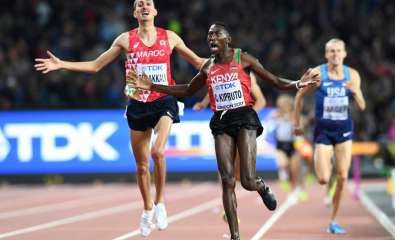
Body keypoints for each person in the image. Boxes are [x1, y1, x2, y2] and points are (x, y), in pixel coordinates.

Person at [127, 22, 319, 240]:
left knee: (246, 181)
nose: (211, 38)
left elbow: (274, 81)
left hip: (245, 117)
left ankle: (261, 187)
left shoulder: (243, 59)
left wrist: (297, 84)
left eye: (216, 34)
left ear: (227, 39)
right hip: (221, 121)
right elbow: (187, 90)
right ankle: (235, 236)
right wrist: (152, 86)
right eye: (208, 35)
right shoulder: (208, 67)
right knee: (227, 180)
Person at [34, 0, 205, 237]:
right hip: (137, 104)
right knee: (142, 166)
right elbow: (96, 66)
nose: (144, 6)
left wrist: (230, 64)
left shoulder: (170, 37)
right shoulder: (125, 40)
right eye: (139, 4)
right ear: (135, 12)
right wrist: (61, 64)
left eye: (148, 4)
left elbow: (198, 62)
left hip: (165, 99)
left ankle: (160, 203)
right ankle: (147, 209)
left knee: (158, 152)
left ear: (155, 11)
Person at [293, 38, 366, 234]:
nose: (335, 54)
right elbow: (299, 95)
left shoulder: (353, 75)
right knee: (324, 179)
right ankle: (328, 166)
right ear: (326, 54)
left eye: (338, 51)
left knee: (342, 176)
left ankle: (333, 220)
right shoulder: (318, 73)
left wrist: (355, 91)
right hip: (323, 132)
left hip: (344, 131)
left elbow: (361, 105)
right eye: (331, 51)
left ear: (344, 54)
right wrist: (296, 123)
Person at [193, 72, 266, 223]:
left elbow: (261, 101)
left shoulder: (247, 75)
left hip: (243, 128)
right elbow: (215, 89)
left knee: (242, 177)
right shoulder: (220, 74)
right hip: (226, 127)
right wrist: (203, 103)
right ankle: (231, 211)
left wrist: (247, 119)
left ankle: (260, 187)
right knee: (226, 175)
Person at [268, 94, 308, 204]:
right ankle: (284, 177)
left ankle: (298, 188)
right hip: (280, 145)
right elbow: (270, 128)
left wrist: (297, 124)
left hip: (293, 145)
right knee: (283, 164)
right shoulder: (275, 115)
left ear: (288, 105)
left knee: (294, 170)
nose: (281, 107)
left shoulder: (294, 116)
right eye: (279, 105)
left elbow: (301, 129)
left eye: (283, 105)